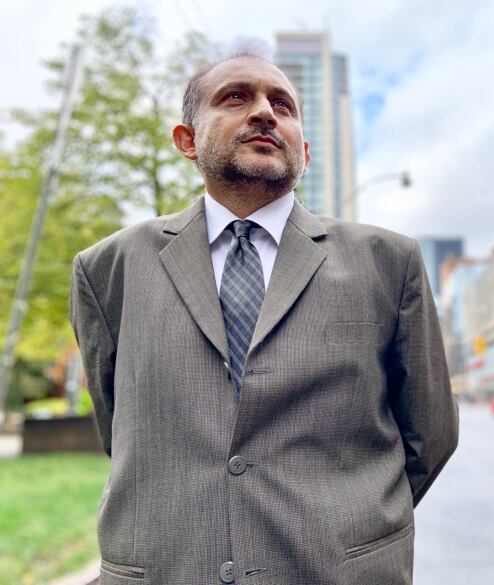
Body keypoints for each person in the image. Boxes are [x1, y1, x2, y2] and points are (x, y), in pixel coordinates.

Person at [70, 53, 458, 585]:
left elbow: (429, 435)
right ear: (186, 140)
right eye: (235, 97)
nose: (264, 113)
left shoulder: (390, 263)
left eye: (282, 105)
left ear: (305, 151)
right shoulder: (107, 268)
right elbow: (122, 427)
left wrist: (352, 520)